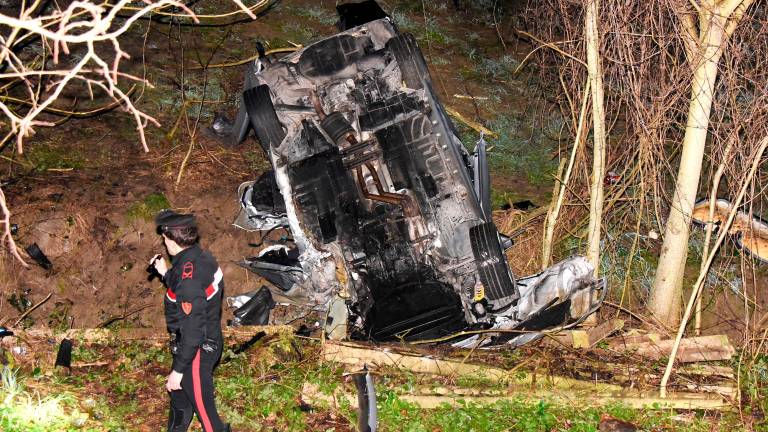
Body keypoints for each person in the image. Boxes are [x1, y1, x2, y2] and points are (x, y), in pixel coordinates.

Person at [149, 210, 230, 432]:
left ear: (172, 240)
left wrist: (178, 369)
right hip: (197, 344)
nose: (164, 243)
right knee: (180, 401)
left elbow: (193, 330)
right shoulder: (201, 258)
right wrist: (166, 274)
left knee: (208, 419)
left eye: (165, 238)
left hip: (196, 352)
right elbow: (188, 287)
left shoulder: (189, 280)